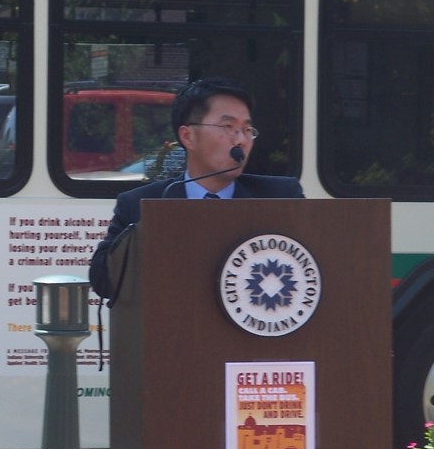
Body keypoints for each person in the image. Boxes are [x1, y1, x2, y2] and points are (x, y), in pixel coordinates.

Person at [89, 77, 304, 299]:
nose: (241, 139)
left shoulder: (280, 197)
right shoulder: (142, 204)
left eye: (248, 129)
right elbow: (103, 281)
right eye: (228, 127)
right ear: (188, 136)